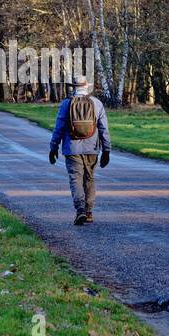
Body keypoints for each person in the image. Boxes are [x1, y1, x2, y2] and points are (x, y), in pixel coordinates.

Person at [48, 75, 111, 225]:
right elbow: (103, 128)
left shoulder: (66, 104)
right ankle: (88, 212)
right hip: (92, 149)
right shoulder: (96, 103)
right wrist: (106, 150)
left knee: (76, 179)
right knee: (89, 178)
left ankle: (80, 210)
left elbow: (59, 128)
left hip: (72, 148)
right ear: (86, 86)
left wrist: (53, 147)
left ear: (73, 88)